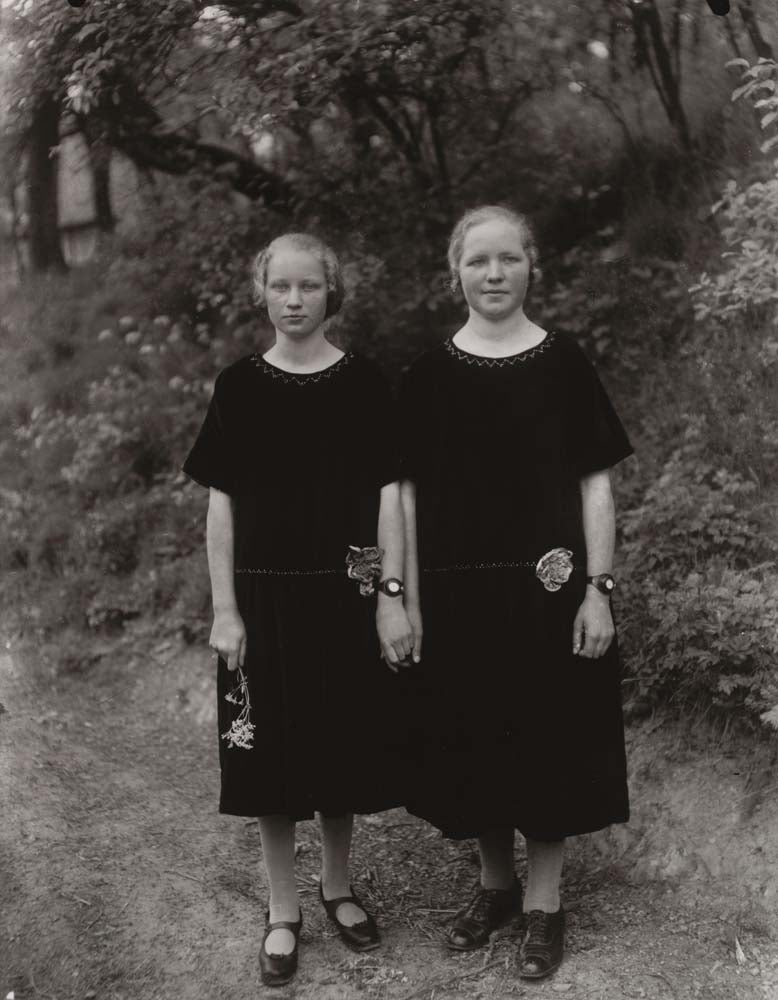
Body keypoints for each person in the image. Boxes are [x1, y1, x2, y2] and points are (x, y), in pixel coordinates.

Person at [399, 205, 633, 980]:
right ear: (454, 272)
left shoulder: (564, 363)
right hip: (459, 598)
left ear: (533, 267)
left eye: (508, 260)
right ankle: (495, 888)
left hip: (550, 597)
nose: (493, 275)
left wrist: (599, 590)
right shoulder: (428, 376)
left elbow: (596, 484)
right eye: (478, 262)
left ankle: (544, 906)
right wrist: (402, 596)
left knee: (548, 739)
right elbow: (401, 496)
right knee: (475, 735)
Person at [183, 232, 414, 987]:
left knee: (340, 749)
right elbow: (222, 505)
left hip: (345, 593)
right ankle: (283, 909)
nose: (292, 300)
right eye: (280, 286)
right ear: (263, 292)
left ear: (330, 292)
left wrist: (389, 598)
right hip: (262, 596)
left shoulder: (364, 383)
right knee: (268, 756)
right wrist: (225, 609)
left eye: (307, 287)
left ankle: (338, 887)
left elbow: (389, 498)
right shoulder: (239, 387)